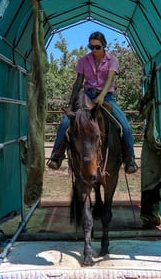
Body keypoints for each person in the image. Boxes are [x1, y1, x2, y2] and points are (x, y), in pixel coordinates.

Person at [48, 31, 138, 174]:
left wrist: (102, 96)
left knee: (124, 126)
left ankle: (130, 159)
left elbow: (110, 80)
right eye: (92, 47)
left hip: (106, 96)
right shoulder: (84, 60)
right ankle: (56, 156)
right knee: (65, 122)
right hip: (87, 95)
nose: (94, 50)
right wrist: (71, 104)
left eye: (97, 47)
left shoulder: (112, 60)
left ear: (104, 46)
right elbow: (78, 82)